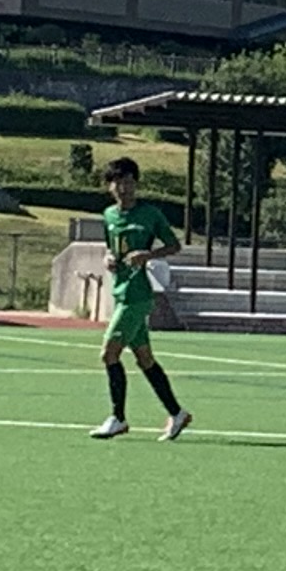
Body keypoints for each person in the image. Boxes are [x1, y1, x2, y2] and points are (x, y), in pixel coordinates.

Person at [88, 157, 195, 441]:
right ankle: (177, 413)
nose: (124, 188)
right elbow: (109, 248)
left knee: (109, 354)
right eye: (118, 182)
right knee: (145, 359)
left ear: (136, 184)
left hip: (137, 296)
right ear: (110, 186)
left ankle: (118, 418)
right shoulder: (109, 215)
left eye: (129, 182)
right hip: (120, 291)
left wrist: (147, 255)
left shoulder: (150, 214)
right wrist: (108, 258)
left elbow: (174, 245)